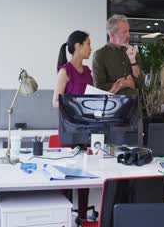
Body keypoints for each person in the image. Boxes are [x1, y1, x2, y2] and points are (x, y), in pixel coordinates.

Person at [52, 30, 93, 223]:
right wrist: (77, 106)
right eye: (88, 44)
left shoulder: (87, 72)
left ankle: (83, 217)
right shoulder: (65, 71)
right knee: (67, 176)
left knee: (85, 174)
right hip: (69, 129)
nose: (90, 48)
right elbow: (55, 102)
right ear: (78, 46)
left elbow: (91, 97)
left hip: (86, 129)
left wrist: (113, 90)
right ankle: (64, 218)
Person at [92, 14, 144, 95]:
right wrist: (124, 83)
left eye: (128, 31)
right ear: (112, 34)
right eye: (124, 32)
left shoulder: (132, 52)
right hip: (113, 105)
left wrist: (133, 61)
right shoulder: (100, 55)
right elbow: (99, 87)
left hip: (134, 105)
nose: (128, 35)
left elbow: (140, 83)